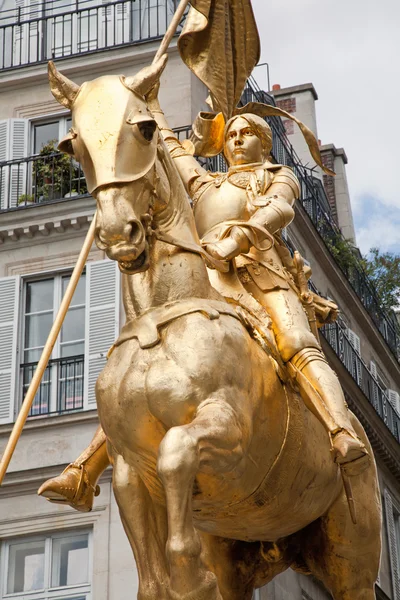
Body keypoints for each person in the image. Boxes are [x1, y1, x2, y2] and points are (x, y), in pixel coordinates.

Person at [39, 92, 368, 512]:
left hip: (261, 274)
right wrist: (153, 106)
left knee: (295, 342)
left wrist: (240, 237)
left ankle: (341, 431)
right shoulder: (209, 183)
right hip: (209, 276)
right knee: (143, 362)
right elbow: (174, 152)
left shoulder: (277, 174)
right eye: (232, 134)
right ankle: (85, 470)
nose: (238, 140)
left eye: (248, 133)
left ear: (264, 144)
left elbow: (279, 209)